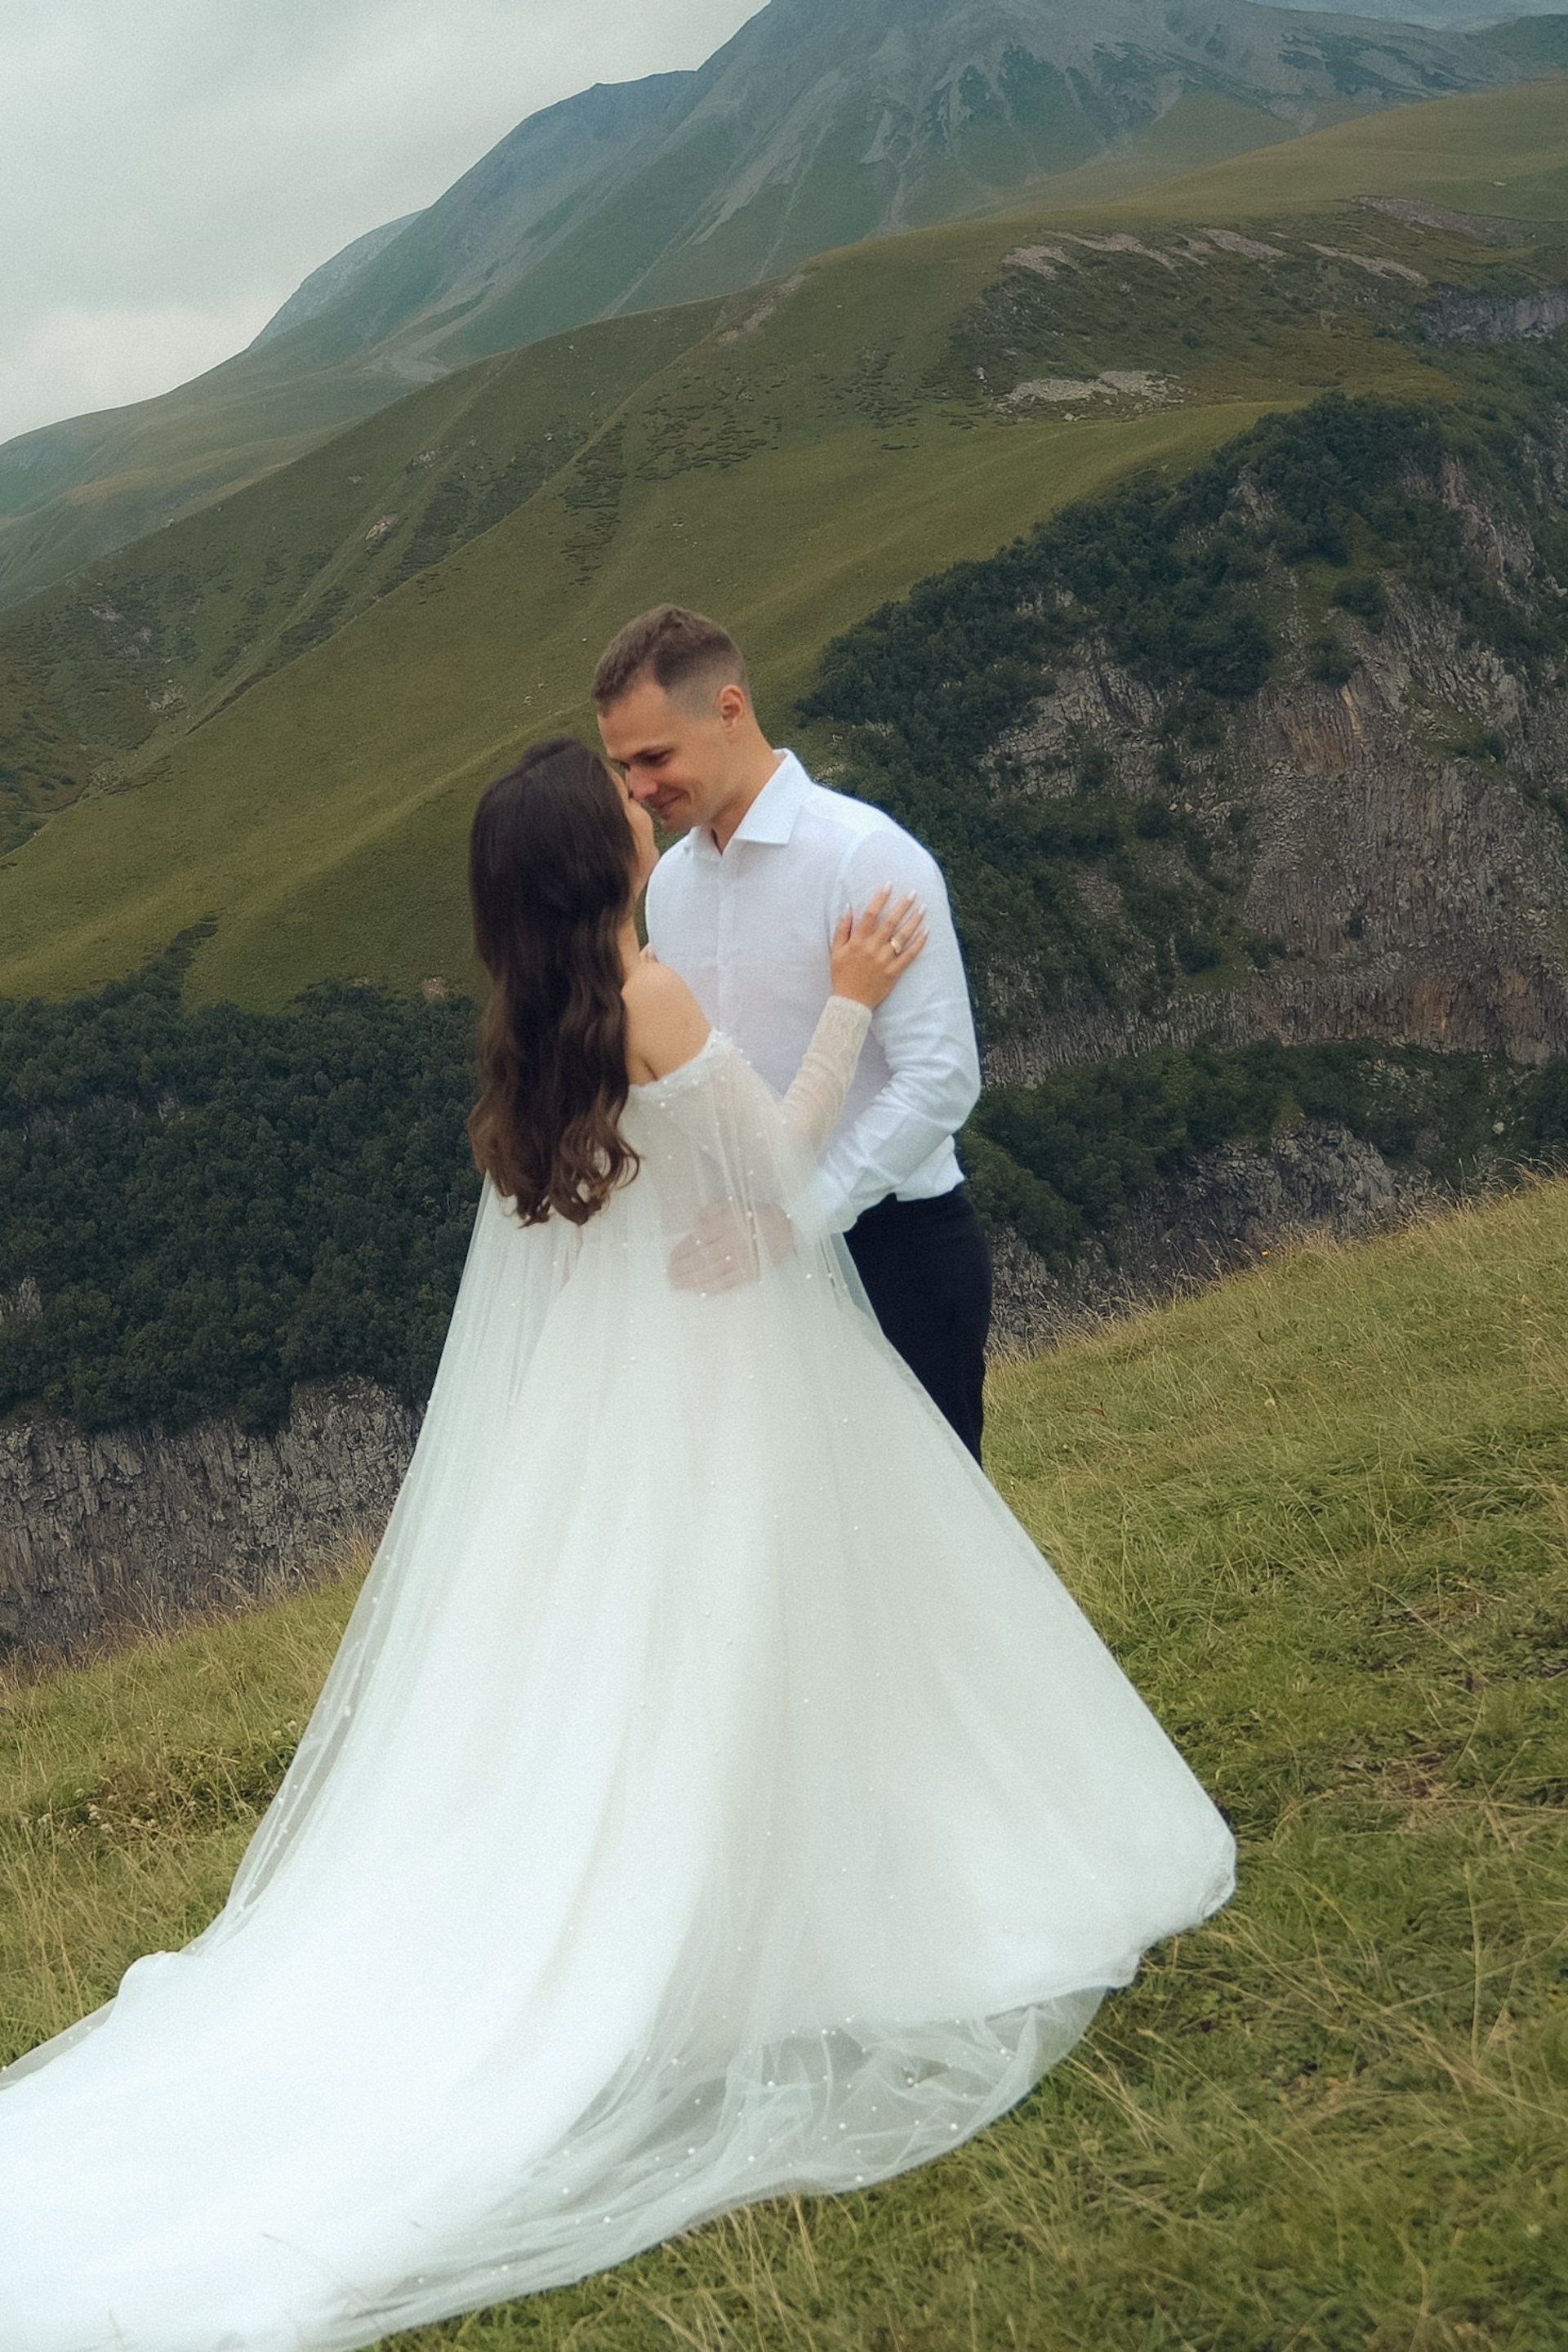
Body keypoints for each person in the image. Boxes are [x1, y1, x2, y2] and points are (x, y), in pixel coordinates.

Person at [0, 738, 1234, 2352]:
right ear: (606, 861)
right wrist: (851, 999)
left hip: (610, 1385)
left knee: (642, 1643)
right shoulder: (643, 995)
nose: (646, 808)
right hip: (711, 1370)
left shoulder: (530, 1019)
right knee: (740, 1623)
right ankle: (752, 1902)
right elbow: (775, 1162)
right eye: (622, 804)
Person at [595, 604, 993, 1460]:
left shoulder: (864, 857)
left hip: (895, 1252)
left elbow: (942, 1079)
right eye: (625, 766)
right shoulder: (670, 888)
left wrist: (797, 1219)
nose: (639, 789)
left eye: (655, 757)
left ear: (729, 709)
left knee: (927, 1522)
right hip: (746, 1263)